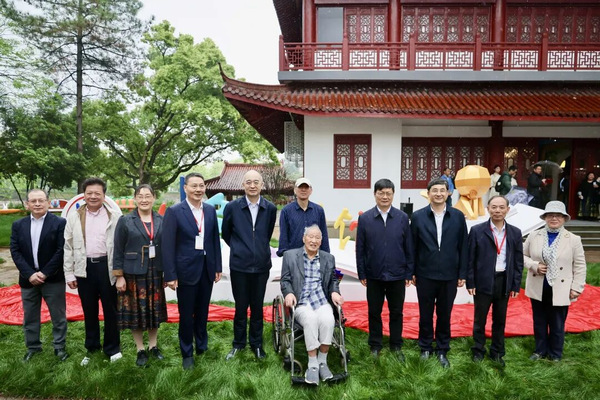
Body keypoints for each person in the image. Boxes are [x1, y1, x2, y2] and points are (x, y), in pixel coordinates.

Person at [161, 173, 222, 370]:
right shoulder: (174, 211)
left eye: (201, 186)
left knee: (203, 311)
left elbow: (214, 240)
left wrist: (217, 266)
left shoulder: (210, 210)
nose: (198, 189)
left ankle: (202, 345)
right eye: (194, 186)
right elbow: (167, 245)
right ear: (185, 188)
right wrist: (170, 275)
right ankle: (187, 352)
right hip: (185, 271)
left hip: (206, 269)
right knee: (186, 314)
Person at [64, 177, 122, 365]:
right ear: (84, 195)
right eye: (89, 193)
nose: (93, 196)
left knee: (111, 310)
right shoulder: (74, 217)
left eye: (97, 193)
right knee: (89, 310)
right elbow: (68, 247)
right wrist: (69, 273)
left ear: (104, 195)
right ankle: (92, 347)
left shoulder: (115, 216)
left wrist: (120, 273)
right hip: (85, 268)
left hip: (107, 268)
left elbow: (121, 246)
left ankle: (113, 348)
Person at [410, 178, 468, 368]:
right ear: (428, 194)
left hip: (450, 274)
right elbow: (412, 246)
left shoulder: (458, 216)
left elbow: (464, 246)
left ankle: (442, 348)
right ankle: (425, 347)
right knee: (425, 313)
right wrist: (412, 271)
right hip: (425, 274)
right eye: (434, 190)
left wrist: (462, 273)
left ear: (448, 193)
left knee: (445, 314)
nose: (438, 194)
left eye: (442, 190)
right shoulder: (418, 217)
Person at [355, 178, 413, 360]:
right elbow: (360, 248)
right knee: (374, 312)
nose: (385, 196)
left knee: (396, 312)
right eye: (381, 193)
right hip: (374, 274)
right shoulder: (365, 219)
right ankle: (375, 344)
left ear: (393, 195)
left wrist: (409, 272)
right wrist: (362, 272)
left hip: (397, 274)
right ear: (375, 194)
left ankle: (396, 345)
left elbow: (409, 247)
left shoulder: (402, 218)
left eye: (388, 193)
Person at [222, 169, 277, 360]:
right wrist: (240, 248)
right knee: (240, 306)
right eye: (248, 182)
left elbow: (267, 233)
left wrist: (258, 249)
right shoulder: (232, 207)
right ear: (243, 185)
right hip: (239, 266)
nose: (252, 186)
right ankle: (238, 344)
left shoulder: (270, 208)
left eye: (256, 182)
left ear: (262, 185)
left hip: (261, 266)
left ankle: (257, 344)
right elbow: (226, 233)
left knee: (257, 306)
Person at [280, 225, 344, 385]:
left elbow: (334, 280)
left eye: (317, 238)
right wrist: (288, 293)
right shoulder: (290, 256)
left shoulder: (328, 258)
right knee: (310, 320)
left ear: (321, 241)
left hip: (321, 301)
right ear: (304, 238)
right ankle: (313, 364)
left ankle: (323, 361)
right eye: (311, 237)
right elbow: (285, 280)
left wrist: (334, 291)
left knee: (328, 320)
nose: (314, 241)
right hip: (301, 303)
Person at [10, 189, 68, 362]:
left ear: (48, 203)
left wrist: (44, 273)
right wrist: (30, 274)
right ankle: (33, 347)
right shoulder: (18, 225)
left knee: (58, 316)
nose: (37, 204)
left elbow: (61, 250)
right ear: (27, 204)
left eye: (41, 200)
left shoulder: (60, 223)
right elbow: (15, 251)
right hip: (28, 280)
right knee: (30, 316)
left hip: (53, 278)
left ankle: (59, 347)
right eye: (33, 201)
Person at [113, 184, 168, 367]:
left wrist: (167, 272)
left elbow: (167, 247)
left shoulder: (161, 220)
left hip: (155, 271)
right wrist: (119, 275)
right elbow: (118, 249)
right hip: (133, 273)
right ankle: (140, 349)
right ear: (135, 199)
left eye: (148, 196)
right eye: (140, 196)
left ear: (154, 198)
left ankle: (153, 346)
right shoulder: (125, 220)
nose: (144, 200)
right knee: (135, 312)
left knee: (154, 310)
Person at [524, 201, 586, 361]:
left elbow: (580, 265)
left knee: (557, 322)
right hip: (538, 286)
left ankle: (555, 353)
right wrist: (534, 265)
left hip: (561, 288)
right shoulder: (534, 236)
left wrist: (577, 287)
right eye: (550, 215)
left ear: (564, 218)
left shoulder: (573, 239)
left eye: (558, 215)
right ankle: (540, 351)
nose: (554, 218)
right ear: (545, 217)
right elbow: (521, 255)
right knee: (539, 321)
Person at [467, 196, 524, 367]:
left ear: (507, 209)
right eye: (494, 207)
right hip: (483, 281)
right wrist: (471, 282)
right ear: (488, 209)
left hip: (503, 280)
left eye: (501, 207)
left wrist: (515, 284)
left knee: (500, 319)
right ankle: (478, 350)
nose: (497, 210)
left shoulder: (515, 232)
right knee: (480, 319)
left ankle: (497, 352)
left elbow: (518, 261)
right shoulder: (477, 231)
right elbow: (470, 259)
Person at [277, 177, 329, 257]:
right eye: (300, 187)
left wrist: (326, 254)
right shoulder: (286, 211)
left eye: (306, 187)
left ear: (311, 191)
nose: (303, 190)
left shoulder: (319, 210)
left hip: (314, 255)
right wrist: (284, 253)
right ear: (295, 190)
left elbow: (323, 234)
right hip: (293, 255)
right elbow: (284, 235)